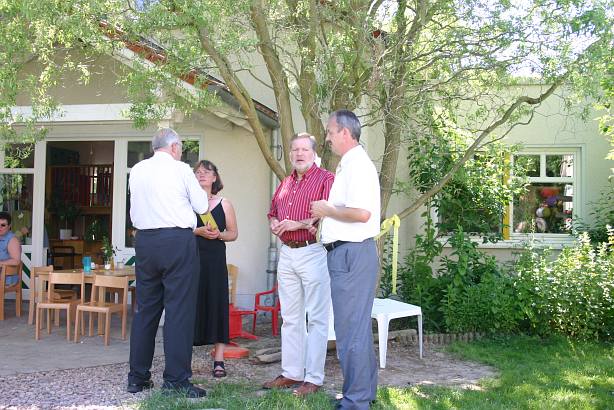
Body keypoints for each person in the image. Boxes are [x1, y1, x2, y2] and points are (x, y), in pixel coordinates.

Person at [127, 128, 208, 398]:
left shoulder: (138, 169)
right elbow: (202, 206)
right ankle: (176, 381)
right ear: (173, 147)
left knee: (145, 310)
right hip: (176, 241)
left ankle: (137, 378)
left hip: (145, 242)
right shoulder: (181, 169)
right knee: (179, 311)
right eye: (180, 148)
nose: (181, 152)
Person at [310, 110, 381, 409]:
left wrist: (326, 210)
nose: (327, 138)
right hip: (349, 254)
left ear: (345, 133)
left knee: (350, 330)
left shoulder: (358, 166)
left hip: (352, 254)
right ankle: (362, 394)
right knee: (355, 328)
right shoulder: (350, 164)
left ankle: (356, 401)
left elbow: (362, 213)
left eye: (330, 132)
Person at [263, 133, 334, 396]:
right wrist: (274, 223)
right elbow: (273, 212)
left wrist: (299, 224)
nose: (299, 154)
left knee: (316, 318)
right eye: (295, 150)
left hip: (313, 251)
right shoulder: (285, 183)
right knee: (290, 318)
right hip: (288, 253)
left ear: (314, 153)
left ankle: (313, 378)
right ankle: (292, 373)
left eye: (304, 149)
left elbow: (329, 217)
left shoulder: (326, 179)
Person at [192, 160, 238, 378]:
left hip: (215, 261)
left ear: (214, 178)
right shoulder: (187, 203)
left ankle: (219, 359)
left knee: (217, 304)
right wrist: (197, 231)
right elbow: (179, 229)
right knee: (190, 305)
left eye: (206, 171)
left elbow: (233, 233)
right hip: (191, 260)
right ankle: (184, 358)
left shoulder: (224, 203)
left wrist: (218, 234)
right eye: (197, 172)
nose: (201, 174)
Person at [0, 212, 22, 285]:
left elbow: (16, 261)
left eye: (3, 225)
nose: (0, 227)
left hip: (6, 277)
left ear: (9, 226)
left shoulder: (12, 240)